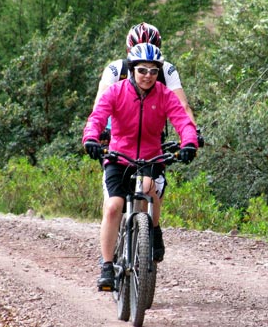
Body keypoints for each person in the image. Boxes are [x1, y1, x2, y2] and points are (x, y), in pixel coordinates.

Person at [82, 43, 198, 291]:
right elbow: (97, 117)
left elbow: (183, 121)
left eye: (154, 71)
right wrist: (91, 138)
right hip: (118, 157)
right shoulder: (116, 92)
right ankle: (107, 265)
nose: (148, 75)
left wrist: (189, 142)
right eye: (143, 70)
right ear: (132, 69)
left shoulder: (164, 96)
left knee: (148, 189)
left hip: (151, 158)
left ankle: (152, 232)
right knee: (113, 206)